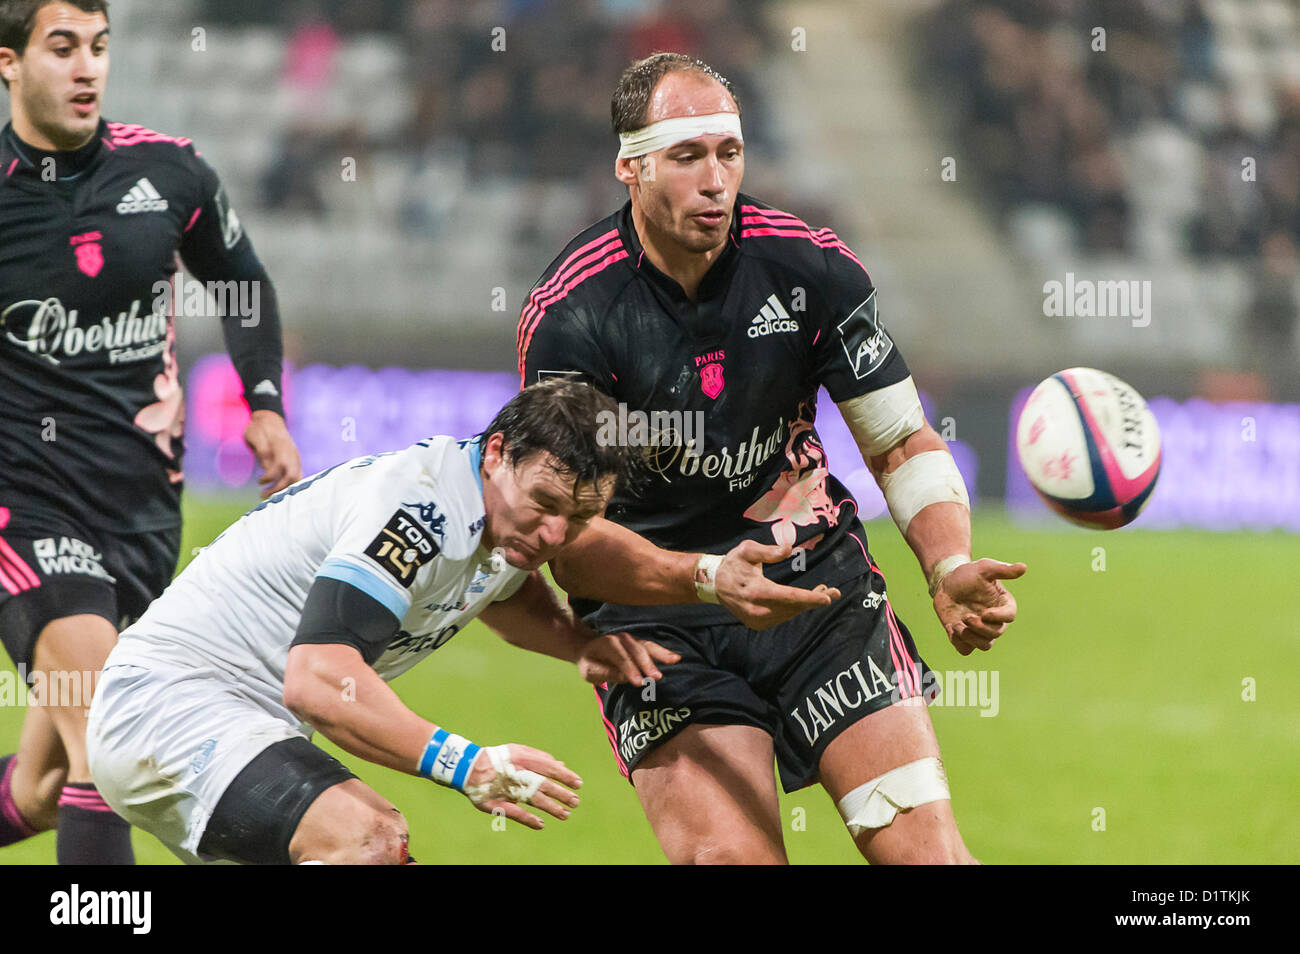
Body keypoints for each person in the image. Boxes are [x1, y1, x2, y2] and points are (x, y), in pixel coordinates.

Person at [517, 53, 1028, 864]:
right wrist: (708, 578)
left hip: (816, 593)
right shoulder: (575, 316)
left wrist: (948, 563)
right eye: (687, 156)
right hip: (656, 620)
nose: (715, 180)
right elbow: (564, 544)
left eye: (729, 152)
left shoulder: (807, 266)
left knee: (929, 857)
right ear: (630, 166)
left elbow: (900, 440)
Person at [85, 381, 693, 865]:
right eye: (546, 504)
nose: (556, 535)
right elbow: (319, 679)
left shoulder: (498, 515)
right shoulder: (417, 511)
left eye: (582, 517)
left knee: (374, 846)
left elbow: (503, 594)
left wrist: (578, 644)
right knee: (366, 840)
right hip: (172, 710)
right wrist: (467, 764)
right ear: (499, 452)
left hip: (238, 725)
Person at [0, 0, 301, 864]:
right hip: (25, 505)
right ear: (9, 63)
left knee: (45, 787)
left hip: (140, 511)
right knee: (111, 737)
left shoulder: (170, 174)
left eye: (98, 47)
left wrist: (265, 403)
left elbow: (243, 284)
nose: (87, 67)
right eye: (62, 49)